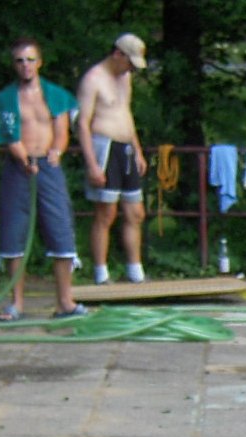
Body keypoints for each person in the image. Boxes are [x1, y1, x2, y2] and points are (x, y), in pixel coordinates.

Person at [0, 38, 85, 320]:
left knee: (60, 227)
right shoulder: (6, 98)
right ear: (14, 65)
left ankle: (65, 301)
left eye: (30, 60)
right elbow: (9, 136)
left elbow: (62, 131)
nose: (25, 65)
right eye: (20, 60)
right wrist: (23, 159)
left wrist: (57, 151)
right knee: (13, 232)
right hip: (19, 167)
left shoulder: (56, 95)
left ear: (39, 62)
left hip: (49, 166)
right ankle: (16, 303)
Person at [76, 34, 147, 285]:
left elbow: (126, 113)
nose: (130, 69)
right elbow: (83, 124)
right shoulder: (93, 79)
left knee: (135, 211)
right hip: (104, 147)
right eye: (129, 62)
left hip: (125, 146)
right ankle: (101, 272)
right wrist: (92, 164)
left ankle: (135, 270)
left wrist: (137, 149)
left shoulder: (125, 78)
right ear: (118, 54)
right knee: (106, 212)